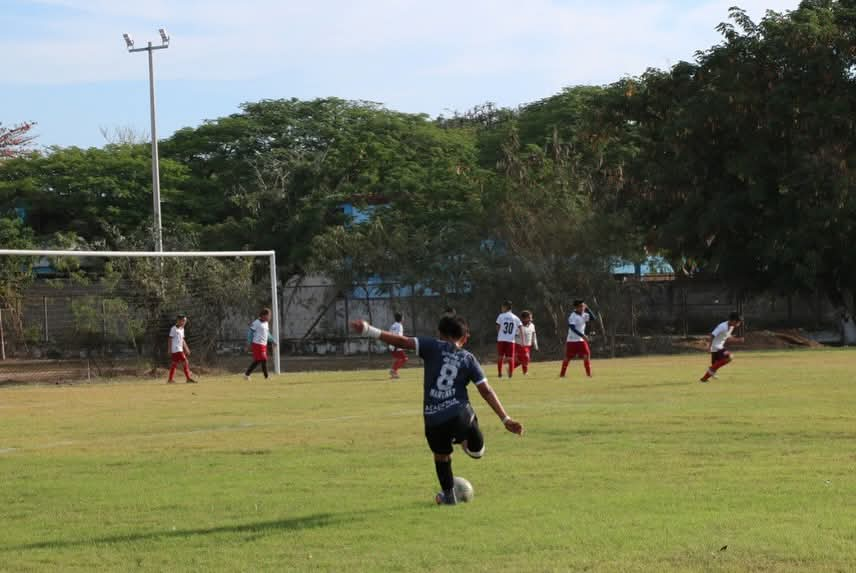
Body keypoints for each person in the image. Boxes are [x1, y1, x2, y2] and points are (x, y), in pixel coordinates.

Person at [351, 314, 524, 505]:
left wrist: (369, 329)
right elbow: (486, 390)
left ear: (439, 334)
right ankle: (464, 441)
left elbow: (402, 341)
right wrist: (505, 419)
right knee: (477, 453)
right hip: (460, 415)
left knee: (441, 456)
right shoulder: (468, 358)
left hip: (433, 419)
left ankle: (448, 496)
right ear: (465, 337)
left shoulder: (431, 346)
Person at [700, 312, 744, 382]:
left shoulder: (731, 327)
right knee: (729, 357)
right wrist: (709, 347)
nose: (739, 324)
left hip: (719, 347)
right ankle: (710, 371)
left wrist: (737, 340)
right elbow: (712, 335)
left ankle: (704, 378)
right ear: (733, 320)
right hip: (716, 347)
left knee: (715, 366)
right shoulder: (722, 326)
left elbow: (727, 338)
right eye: (738, 322)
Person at [560, 300, 594, 378]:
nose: (583, 308)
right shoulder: (573, 316)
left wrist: (588, 308)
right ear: (576, 307)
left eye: (583, 306)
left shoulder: (584, 314)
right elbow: (572, 328)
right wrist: (583, 335)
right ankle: (562, 374)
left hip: (581, 340)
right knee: (568, 357)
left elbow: (593, 318)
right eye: (581, 306)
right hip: (572, 340)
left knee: (587, 354)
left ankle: (589, 375)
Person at [245, 308, 277, 380]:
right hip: (257, 344)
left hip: (263, 345)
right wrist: (249, 343)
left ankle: (246, 375)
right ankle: (266, 376)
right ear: (263, 315)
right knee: (264, 359)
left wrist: (273, 340)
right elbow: (250, 333)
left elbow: (267, 334)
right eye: (268, 316)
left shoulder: (266, 323)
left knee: (258, 360)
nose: (269, 317)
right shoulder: (256, 323)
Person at [495, 300, 522, 378]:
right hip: (511, 340)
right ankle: (510, 374)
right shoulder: (515, 317)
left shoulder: (501, 316)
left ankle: (500, 373)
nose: (501, 309)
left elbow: (497, 326)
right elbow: (520, 328)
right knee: (510, 358)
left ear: (506, 307)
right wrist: (518, 336)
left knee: (500, 357)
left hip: (501, 339)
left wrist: (499, 334)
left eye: (502, 307)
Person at [167, 315, 197, 384]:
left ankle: (170, 379)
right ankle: (188, 378)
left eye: (185, 321)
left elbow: (182, 340)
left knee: (174, 364)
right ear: (179, 320)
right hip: (176, 349)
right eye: (183, 320)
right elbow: (169, 339)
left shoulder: (182, 329)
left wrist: (186, 348)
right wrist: (169, 349)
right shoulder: (173, 328)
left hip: (180, 349)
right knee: (185, 361)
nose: (185, 322)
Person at [513, 310, 538, 375]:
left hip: (528, 345)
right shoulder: (518, 326)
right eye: (529, 317)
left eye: (531, 317)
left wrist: (535, 344)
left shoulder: (532, 325)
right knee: (526, 357)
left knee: (522, 360)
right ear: (523, 318)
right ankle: (525, 372)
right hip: (519, 345)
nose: (531, 319)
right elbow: (514, 335)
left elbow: (533, 334)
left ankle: (511, 368)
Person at [388, 312, 408, 379]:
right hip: (396, 346)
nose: (403, 318)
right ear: (401, 318)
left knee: (400, 359)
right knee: (404, 359)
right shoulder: (399, 326)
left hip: (391, 345)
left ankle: (394, 373)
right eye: (403, 317)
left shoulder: (392, 325)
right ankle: (393, 370)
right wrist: (396, 346)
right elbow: (398, 336)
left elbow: (389, 335)